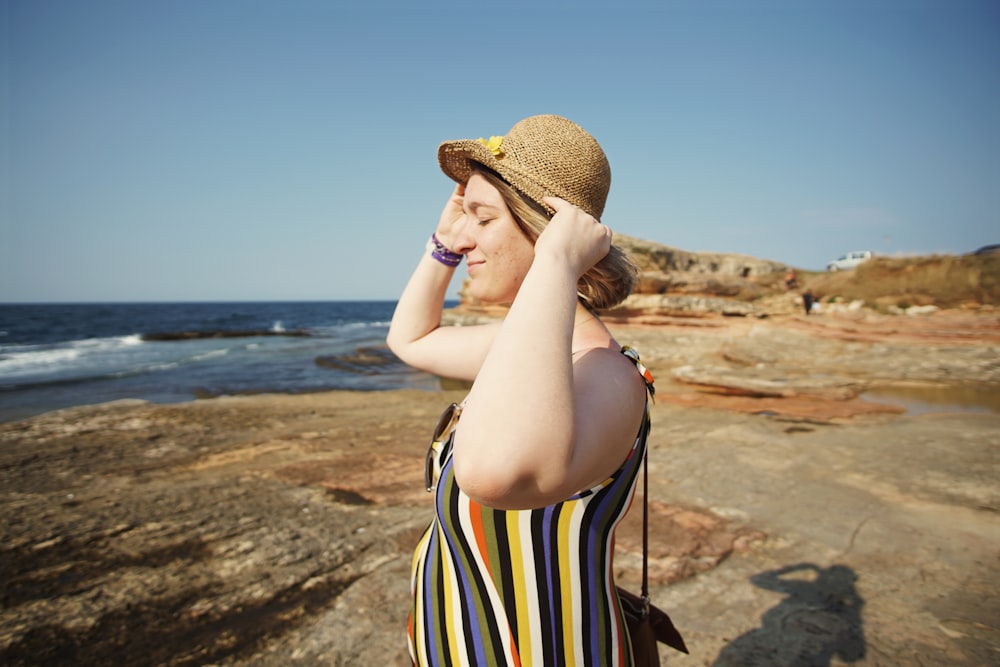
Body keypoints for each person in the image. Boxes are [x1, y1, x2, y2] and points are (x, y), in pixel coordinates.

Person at [386, 115, 656, 665]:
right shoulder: (523, 349)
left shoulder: (607, 373)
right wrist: (443, 240)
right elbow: (411, 338)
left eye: (482, 219)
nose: (465, 241)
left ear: (545, 228)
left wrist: (557, 262)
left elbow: (494, 473)